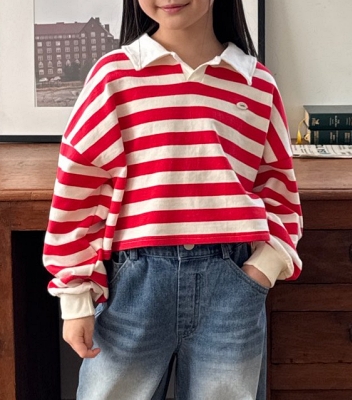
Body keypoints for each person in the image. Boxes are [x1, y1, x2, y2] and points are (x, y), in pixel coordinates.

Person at [43, 0, 303, 399]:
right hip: (135, 285)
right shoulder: (114, 76)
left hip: (231, 286)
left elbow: (279, 191)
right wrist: (75, 296)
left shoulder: (256, 83)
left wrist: (261, 271)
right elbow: (79, 186)